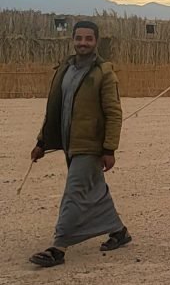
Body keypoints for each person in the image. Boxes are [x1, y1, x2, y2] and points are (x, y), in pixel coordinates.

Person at [28, 20, 131, 268]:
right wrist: (42, 142)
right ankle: (119, 231)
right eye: (79, 38)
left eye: (88, 38)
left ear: (96, 41)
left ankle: (58, 247)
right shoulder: (66, 69)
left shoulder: (104, 73)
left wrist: (109, 149)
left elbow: (114, 113)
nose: (83, 43)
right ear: (73, 40)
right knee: (94, 188)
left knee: (74, 192)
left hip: (90, 144)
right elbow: (54, 109)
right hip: (69, 142)